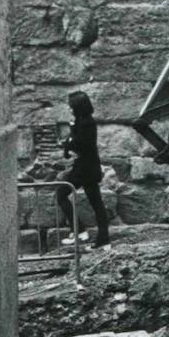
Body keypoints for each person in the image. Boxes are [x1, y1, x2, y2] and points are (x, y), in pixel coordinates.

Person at [56, 90, 110, 248]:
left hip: (85, 169)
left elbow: (81, 144)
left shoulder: (87, 122)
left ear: (78, 107)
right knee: (96, 203)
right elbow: (75, 142)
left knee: (61, 194)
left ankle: (81, 231)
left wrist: (68, 141)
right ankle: (100, 238)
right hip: (86, 168)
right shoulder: (81, 121)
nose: (69, 108)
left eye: (71, 106)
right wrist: (70, 140)